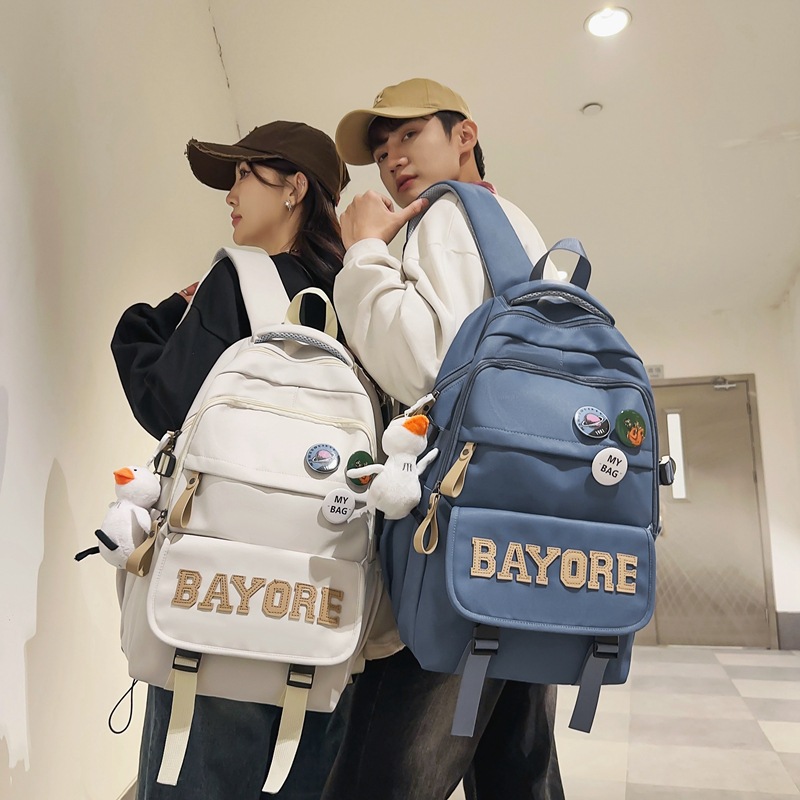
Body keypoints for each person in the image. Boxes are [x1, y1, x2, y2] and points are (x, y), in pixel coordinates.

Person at [323, 79, 565, 800]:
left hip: (459, 532)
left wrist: (364, 253)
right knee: (516, 767)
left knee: (383, 772)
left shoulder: (450, 215)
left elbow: (432, 365)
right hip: (526, 523)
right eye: (381, 149)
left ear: (465, 135)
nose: (392, 157)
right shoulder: (514, 226)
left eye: (409, 134)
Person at [111, 121, 352, 800]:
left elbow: (166, 401)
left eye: (245, 174)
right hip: (325, 598)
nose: (231, 194)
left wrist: (153, 318)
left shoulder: (237, 279)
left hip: (221, 591)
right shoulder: (354, 293)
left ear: (294, 187)